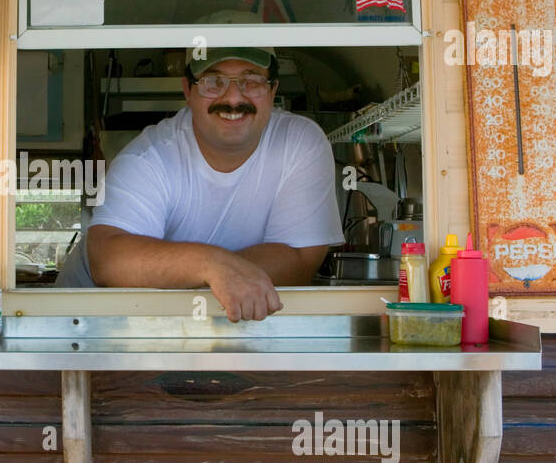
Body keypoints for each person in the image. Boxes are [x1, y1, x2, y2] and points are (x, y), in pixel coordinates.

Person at [56, 47, 342, 321]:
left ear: (272, 91)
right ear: (188, 91)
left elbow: (300, 260)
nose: (232, 98)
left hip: (201, 324)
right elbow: (109, 261)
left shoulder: (300, 143)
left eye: (251, 80)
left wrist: (215, 272)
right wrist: (209, 265)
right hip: (83, 325)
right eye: (213, 81)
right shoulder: (149, 156)